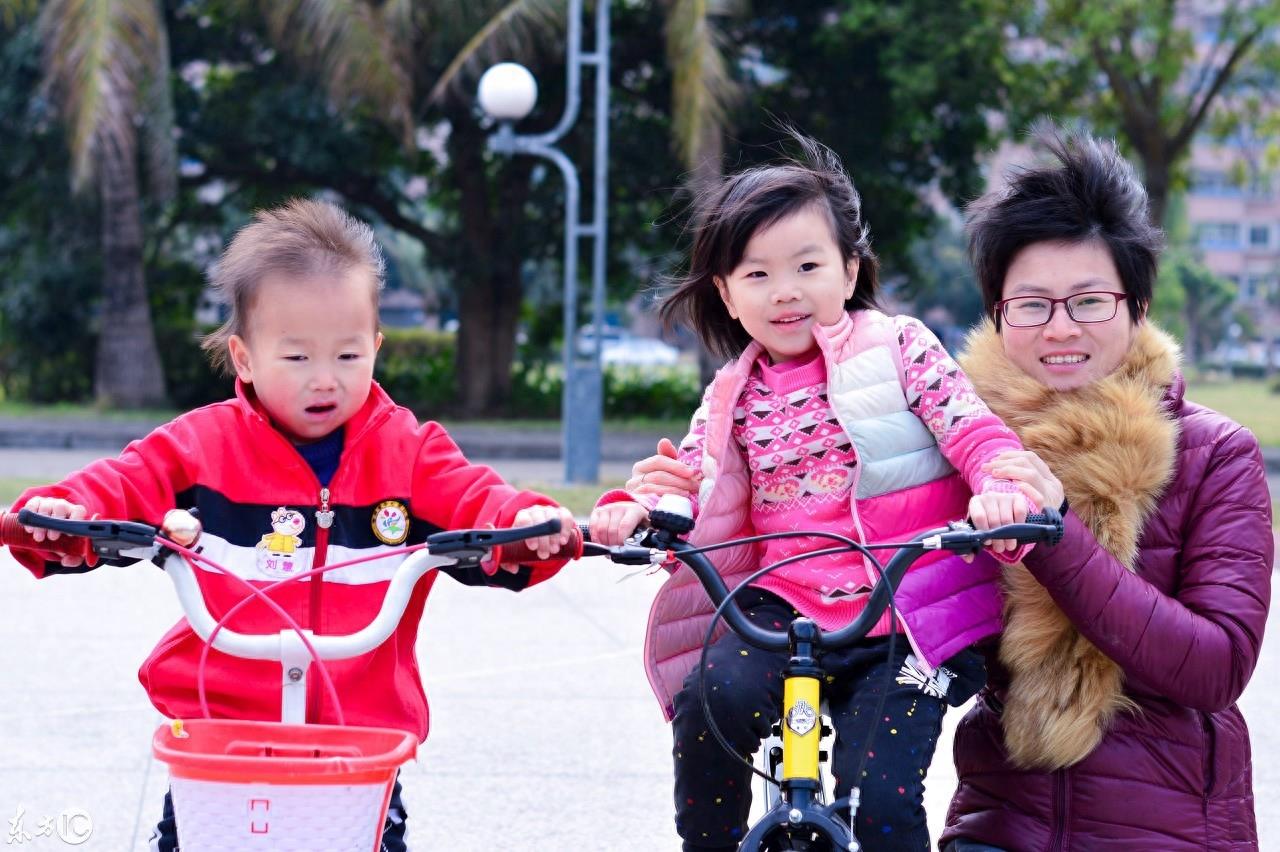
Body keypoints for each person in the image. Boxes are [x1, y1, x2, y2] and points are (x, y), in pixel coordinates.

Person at [10, 199, 578, 852]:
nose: (326, 380)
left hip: (356, 737)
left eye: (347, 355)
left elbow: (478, 497)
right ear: (244, 358)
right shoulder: (202, 445)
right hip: (222, 731)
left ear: (376, 347)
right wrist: (62, 512)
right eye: (298, 358)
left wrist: (527, 523)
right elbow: (124, 482)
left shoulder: (409, 450)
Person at [589, 134, 1043, 852]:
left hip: (904, 609)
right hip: (779, 602)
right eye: (758, 273)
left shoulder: (900, 348)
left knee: (880, 797)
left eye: (808, 265)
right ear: (727, 294)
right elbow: (692, 487)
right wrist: (641, 508)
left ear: (850, 268)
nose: (786, 290)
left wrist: (1001, 488)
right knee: (709, 702)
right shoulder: (731, 391)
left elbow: (974, 432)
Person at [937, 127, 1273, 850]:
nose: (1059, 329)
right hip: (999, 822)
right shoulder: (962, 441)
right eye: (1031, 305)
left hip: (1170, 832)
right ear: (998, 314)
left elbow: (1216, 668)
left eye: (1088, 301)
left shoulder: (1217, 455)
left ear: (1137, 306)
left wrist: (1055, 533)